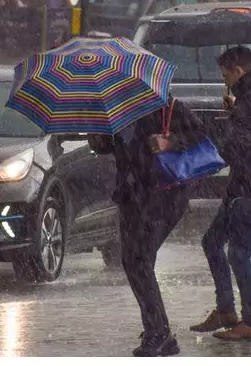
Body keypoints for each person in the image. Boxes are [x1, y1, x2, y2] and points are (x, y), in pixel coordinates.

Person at [88, 96, 207, 357]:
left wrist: (169, 142)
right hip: (131, 194)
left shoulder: (164, 103)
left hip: (163, 194)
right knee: (132, 261)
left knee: (139, 259)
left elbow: (201, 133)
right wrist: (97, 132)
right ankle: (158, 329)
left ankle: (159, 332)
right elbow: (109, 146)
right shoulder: (113, 108)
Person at [189, 46, 251, 341]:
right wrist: (235, 111)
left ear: (238, 71)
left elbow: (237, 145)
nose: (225, 79)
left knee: (238, 253)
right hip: (249, 185)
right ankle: (226, 311)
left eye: (226, 74)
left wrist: (200, 162)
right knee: (212, 242)